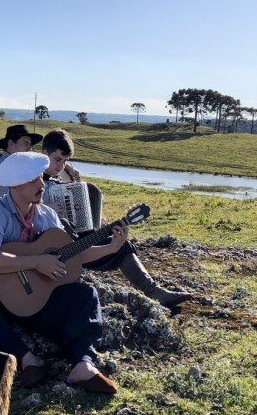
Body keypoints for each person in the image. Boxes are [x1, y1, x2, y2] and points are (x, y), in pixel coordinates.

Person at [0, 152, 124, 394]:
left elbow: (72, 254)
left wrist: (110, 247)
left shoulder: (47, 215)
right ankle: (27, 359)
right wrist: (35, 262)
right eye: (33, 180)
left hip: (37, 299)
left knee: (85, 294)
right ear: (16, 185)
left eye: (40, 178)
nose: (42, 184)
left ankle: (83, 364)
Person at [41, 129, 190, 309]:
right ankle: (153, 291)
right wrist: (45, 208)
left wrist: (92, 220)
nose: (61, 166)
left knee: (121, 244)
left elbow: (80, 206)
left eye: (65, 161)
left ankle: (153, 290)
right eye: (57, 160)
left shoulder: (61, 180)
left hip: (76, 243)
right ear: (44, 154)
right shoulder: (31, 180)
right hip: (51, 251)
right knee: (115, 246)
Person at [0, 124, 80, 198]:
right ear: (10, 143)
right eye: (25, 143)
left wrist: (67, 166)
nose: (30, 148)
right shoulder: (5, 166)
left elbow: (45, 158)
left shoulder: (12, 161)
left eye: (31, 144)